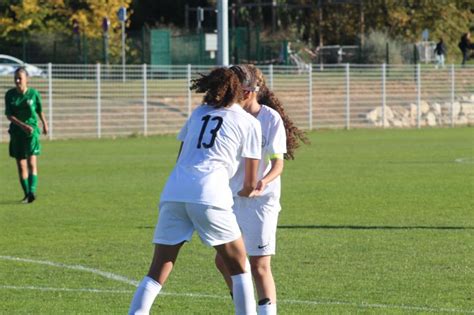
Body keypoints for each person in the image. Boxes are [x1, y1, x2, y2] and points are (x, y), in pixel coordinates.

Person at [128, 67, 262, 315]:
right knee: (239, 265)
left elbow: (181, 157)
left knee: (159, 267)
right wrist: (245, 193)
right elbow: (250, 184)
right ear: (241, 91)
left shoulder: (199, 112)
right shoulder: (248, 122)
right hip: (209, 193)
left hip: (174, 190)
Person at [215, 64, 308, 315]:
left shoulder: (270, 119)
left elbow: (278, 164)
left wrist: (262, 183)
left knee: (259, 266)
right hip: (232, 199)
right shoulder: (229, 116)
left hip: (261, 202)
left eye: (234, 90)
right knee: (223, 261)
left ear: (247, 92)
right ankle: (245, 308)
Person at [4, 67, 49, 203]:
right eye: (15, 78)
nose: (17, 80)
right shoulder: (10, 95)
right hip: (17, 132)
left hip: (31, 131)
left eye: (20, 78)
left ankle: (32, 191)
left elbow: (39, 110)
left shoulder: (34, 94)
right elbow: (9, 115)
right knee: (21, 165)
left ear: (26, 79)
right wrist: (22, 125)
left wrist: (45, 124)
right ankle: (27, 195)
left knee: (31, 162)